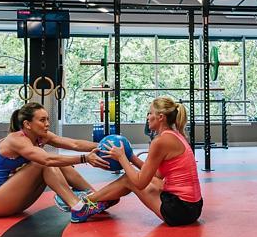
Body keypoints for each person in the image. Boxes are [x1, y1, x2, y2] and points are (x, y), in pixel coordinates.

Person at [71, 96, 203, 226]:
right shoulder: (175, 135)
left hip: (180, 211)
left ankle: (84, 204)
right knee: (137, 176)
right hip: (194, 207)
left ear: (161, 117)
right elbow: (157, 175)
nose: (147, 117)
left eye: (150, 113)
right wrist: (131, 157)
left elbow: (139, 183)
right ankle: (102, 200)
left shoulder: (161, 141)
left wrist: (122, 158)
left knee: (129, 179)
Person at [0, 102, 112, 222]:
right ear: (27, 124)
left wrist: (105, 146)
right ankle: (77, 207)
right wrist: (85, 158)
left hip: (15, 199)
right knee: (44, 162)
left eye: (47, 119)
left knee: (61, 164)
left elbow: (75, 144)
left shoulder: (41, 136)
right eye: (42, 120)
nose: (47, 124)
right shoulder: (16, 139)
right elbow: (47, 160)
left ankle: (96, 197)